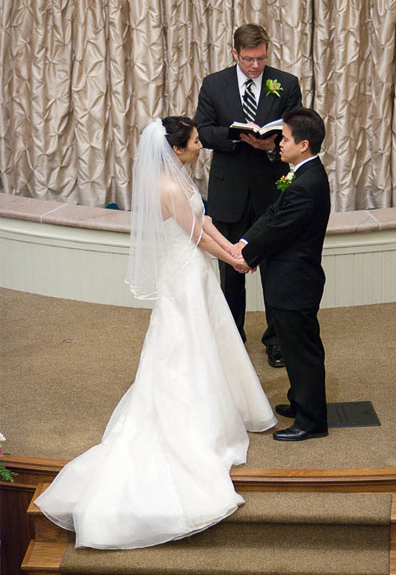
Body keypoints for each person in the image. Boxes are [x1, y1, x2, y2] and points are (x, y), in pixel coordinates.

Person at [34, 117, 277, 549]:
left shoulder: (175, 178)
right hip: (184, 277)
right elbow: (196, 233)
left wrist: (235, 249)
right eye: (196, 142)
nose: (201, 146)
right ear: (177, 149)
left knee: (204, 344)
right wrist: (234, 260)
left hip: (192, 273)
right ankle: (192, 425)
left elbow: (206, 222)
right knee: (186, 349)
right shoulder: (168, 188)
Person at [195, 23, 302, 367]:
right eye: (248, 59)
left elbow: (298, 129)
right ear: (235, 54)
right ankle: (233, 338)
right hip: (230, 190)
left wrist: (273, 143)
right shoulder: (214, 84)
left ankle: (276, 340)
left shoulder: (286, 83)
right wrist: (234, 137)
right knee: (231, 271)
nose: (255, 65)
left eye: (261, 58)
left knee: (275, 270)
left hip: (272, 190)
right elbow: (203, 130)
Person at [233, 108, 331, 442]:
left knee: (302, 350)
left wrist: (247, 256)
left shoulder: (307, 184)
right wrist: (245, 242)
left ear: (303, 145)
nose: (279, 144)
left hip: (295, 281)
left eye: (285, 139)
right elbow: (273, 214)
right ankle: (300, 401)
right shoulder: (301, 174)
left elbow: (280, 231)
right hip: (288, 278)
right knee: (293, 347)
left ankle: (312, 420)